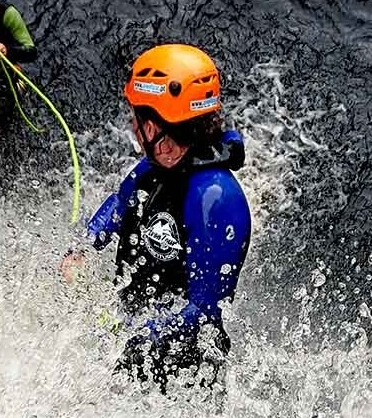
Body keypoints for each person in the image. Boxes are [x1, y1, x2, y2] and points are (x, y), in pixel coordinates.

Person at [69, 44, 251, 392]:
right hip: (136, 331)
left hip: (184, 370)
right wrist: (84, 247)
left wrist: (143, 340)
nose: (132, 125)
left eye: (136, 116)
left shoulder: (214, 198)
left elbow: (204, 310)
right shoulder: (153, 169)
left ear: (156, 128)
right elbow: (119, 206)